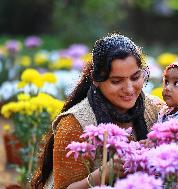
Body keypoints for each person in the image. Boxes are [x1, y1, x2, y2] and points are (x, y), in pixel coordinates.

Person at [31, 34, 163, 189]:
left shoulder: (156, 110)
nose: (129, 89)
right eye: (116, 81)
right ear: (96, 79)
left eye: (135, 78)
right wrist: (102, 175)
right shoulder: (75, 124)